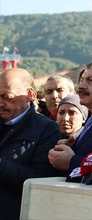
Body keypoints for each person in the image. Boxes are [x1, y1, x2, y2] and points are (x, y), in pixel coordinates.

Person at [0, 68, 62, 220]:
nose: (0, 103)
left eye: (6, 97)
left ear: (29, 95)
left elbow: (40, 180)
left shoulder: (46, 129)